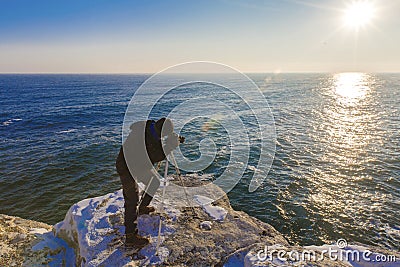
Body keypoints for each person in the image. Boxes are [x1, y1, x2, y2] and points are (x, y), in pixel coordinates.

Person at [116, 118, 181, 247]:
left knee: (154, 182)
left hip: (139, 165)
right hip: (127, 167)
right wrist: (169, 146)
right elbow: (155, 156)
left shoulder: (150, 128)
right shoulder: (141, 138)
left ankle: (143, 207)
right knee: (131, 200)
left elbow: (154, 148)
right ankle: (130, 237)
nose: (163, 137)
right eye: (164, 135)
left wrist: (169, 142)